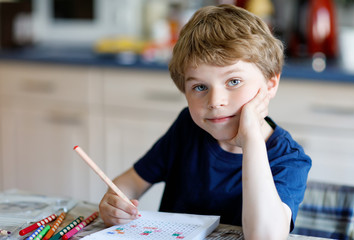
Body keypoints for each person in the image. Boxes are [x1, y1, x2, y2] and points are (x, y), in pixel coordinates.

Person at [99, 4, 312, 239]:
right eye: (200, 87)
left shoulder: (289, 159)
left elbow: (265, 237)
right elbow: (130, 182)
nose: (215, 101)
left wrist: (251, 139)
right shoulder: (187, 129)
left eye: (233, 82)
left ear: (270, 85)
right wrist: (115, 203)